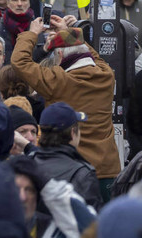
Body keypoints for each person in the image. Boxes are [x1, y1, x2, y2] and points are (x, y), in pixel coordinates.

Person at [12, 21, 119, 199]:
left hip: (73, 171)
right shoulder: (106, 74)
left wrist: (32, 33)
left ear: (60, 54)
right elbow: (94, 56)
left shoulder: (57, 81)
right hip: (108, 170)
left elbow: (19, 62)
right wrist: (69, 33)